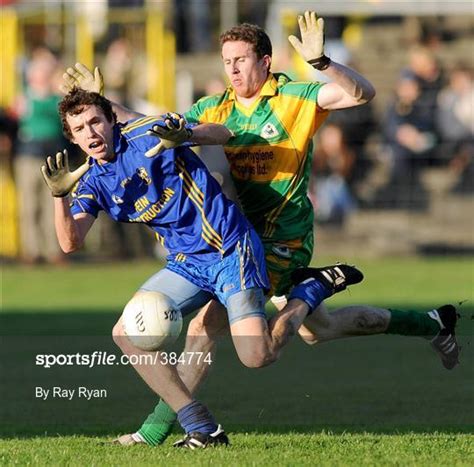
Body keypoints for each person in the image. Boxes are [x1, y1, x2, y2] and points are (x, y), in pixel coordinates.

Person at [62, 11, 459, 447]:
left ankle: (165, 430)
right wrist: (103, 105)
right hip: (232, 230)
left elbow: (362, 95)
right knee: (317, 331)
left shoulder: (293, 97)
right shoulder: (216, 104)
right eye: (225, 60)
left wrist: (324, 63)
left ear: (265, 62)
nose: (231, 69)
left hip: (280, 236)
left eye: (240, 59)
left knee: (207, 332)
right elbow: (159, 129)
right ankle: (431, 322)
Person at [41, 87, 363, 448]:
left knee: (257, 356)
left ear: (111, 120)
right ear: (71, 137)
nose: (91, 133)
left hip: (230, 249)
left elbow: (223, 133)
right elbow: (70, 243)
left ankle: (308, 292)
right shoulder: (91, 182)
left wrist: (187, 135)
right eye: (80, 128)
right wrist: (58, 197)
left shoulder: (149, 131)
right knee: (124, 333)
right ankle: (202, 426)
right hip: (186, 264)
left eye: (95, 121)